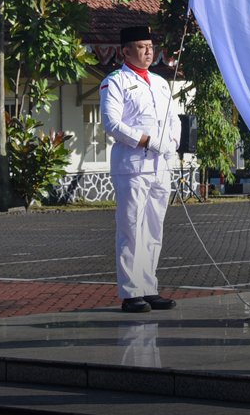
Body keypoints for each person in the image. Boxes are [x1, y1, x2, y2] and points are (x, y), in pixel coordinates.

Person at [101, 25, 181, 314]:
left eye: (150, 46)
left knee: (154, 229)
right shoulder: (116, 81)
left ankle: (148, 287)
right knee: (132, 228)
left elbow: (173, 119)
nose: (149, 51)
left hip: (161, 166)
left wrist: (172, 142)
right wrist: (147, 140)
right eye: (142, 46)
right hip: (132, 166)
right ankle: (131, 292)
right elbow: (112, 123)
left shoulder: (160, 83)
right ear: (126, 51)